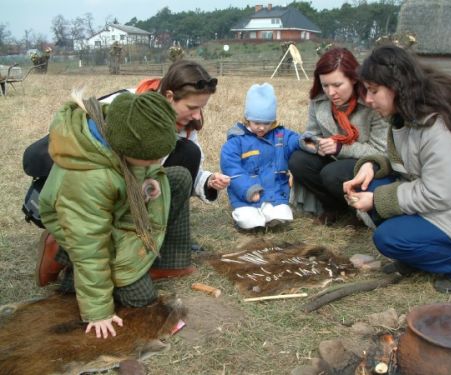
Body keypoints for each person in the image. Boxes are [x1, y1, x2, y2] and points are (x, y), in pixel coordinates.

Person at [343, 45, 451, 293]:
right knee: (369, 185)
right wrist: (372, 167)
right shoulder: (408, 115)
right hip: (443, 202)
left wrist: (378, 199)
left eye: (373, 91)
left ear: (397, 87)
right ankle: (416, 256)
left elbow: (440, 193)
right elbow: (407, 162)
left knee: (389, 237)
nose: (368, 100)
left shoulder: (445, 129)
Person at [38, 91, 194, 338]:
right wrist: (97, 311)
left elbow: (135, 169)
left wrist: (148, 180)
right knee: (141, 297)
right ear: (126, 149)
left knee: (178, 178)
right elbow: (90, 247)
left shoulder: (122, 130)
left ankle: (164, 262)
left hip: (110, 210)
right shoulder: (89, 180)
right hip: (85, 230)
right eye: (150, 159)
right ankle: (66, 261)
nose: (155, 162)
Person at [288, 47, 389, 225]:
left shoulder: (372, 103)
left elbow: (381, 151)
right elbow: (310, 133)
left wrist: (341, 147)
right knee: (298, 160)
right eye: (325, 85)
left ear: (353, 79)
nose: (330, 92)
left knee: (332, 173)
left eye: (337, 85)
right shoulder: (318, 100)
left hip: (366, 164)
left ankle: (358, 209)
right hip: (331, 158)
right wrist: (313, 143)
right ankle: (333, 206)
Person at [134, 59, 230, 202]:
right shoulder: (130, 115)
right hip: (122, 193)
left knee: (190, 151)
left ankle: (166, 219)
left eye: (200, 108)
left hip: (151, 190)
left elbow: (193, 171)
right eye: (191, 108)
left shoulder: (185, 125)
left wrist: (209, 181)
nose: (197, 115)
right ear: (169, 97)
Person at [220, 83, 300, 230]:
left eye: (267, 123)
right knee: (249, 219)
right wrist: (248, 190)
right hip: (246, 196)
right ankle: (248, 220)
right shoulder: (235, 142)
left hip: (274, 192)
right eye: (257, 123)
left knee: (282, 215)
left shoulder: (280, 135)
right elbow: (232, 170)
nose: (262, 128)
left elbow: (295, 141)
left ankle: (272, 219)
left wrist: (305, 141)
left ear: (273, 122)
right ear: (247, 118)